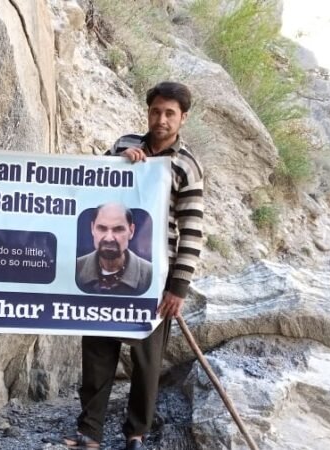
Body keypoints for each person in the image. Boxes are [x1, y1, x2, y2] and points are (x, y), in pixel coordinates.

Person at [65, 82, 205, 450]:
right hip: (104, 268)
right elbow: (93, 190)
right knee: (98, 351)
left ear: (183, 118)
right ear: (148, 112)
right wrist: (118, 164)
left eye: (170, 113)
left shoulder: (187, 166)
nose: (161, 119)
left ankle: (136, 433)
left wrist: (178, 288)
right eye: (156, 111)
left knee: (146, 360)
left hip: (155, 278)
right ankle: (89, 432)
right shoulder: (124, 145)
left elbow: (192, 231)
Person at [76, 203, 153, 295]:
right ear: (92, 229)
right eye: (102, 228)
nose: (109, 238)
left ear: (131, 231)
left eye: (118, 229)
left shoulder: (150, 275)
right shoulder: (75, 268)